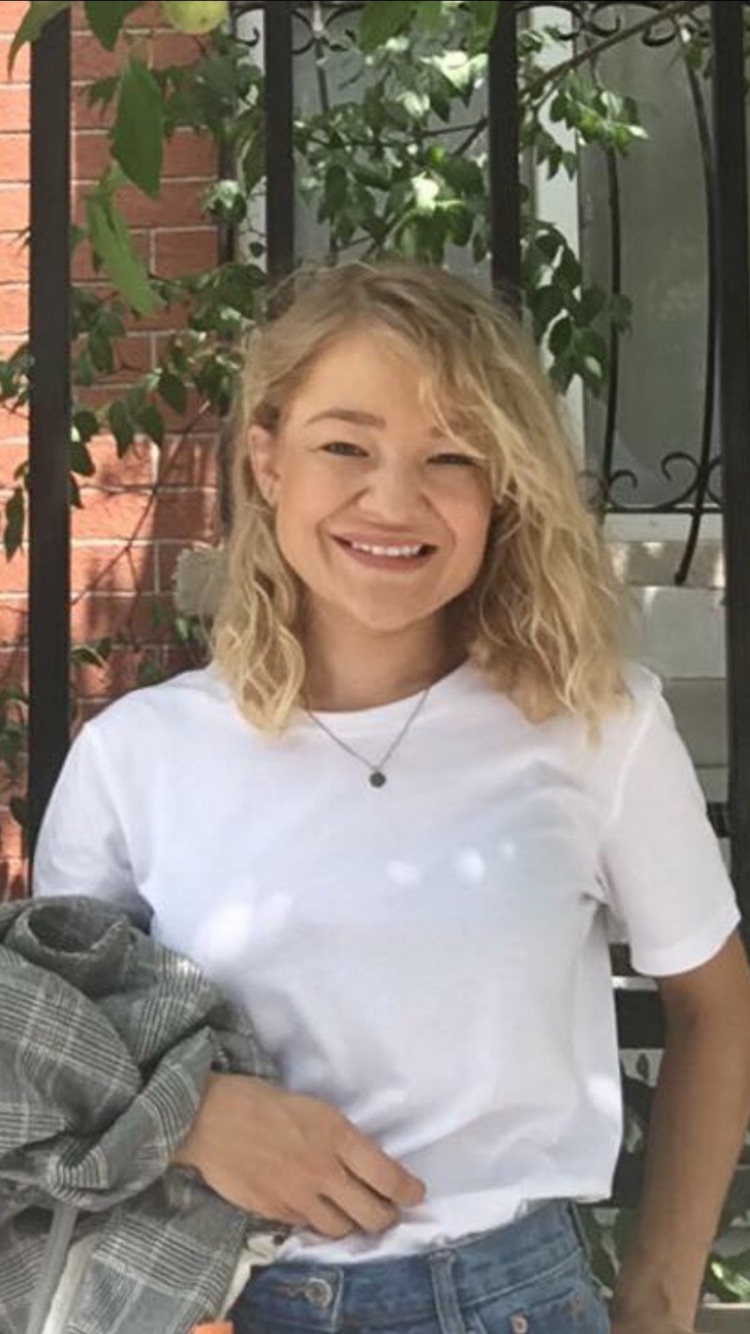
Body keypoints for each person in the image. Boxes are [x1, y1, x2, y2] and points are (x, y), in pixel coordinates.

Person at [33, 261, 750, 1334]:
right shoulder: (138, 754)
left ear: (503, 487)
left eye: (451, 456)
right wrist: (192, 1120)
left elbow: (714, 1003)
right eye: (345, 446)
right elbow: (50, 1054)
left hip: (508, 1301)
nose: (393, 499)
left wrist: (656, 1306)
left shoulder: (597, 724)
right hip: (214, 1302)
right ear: (268, 460)